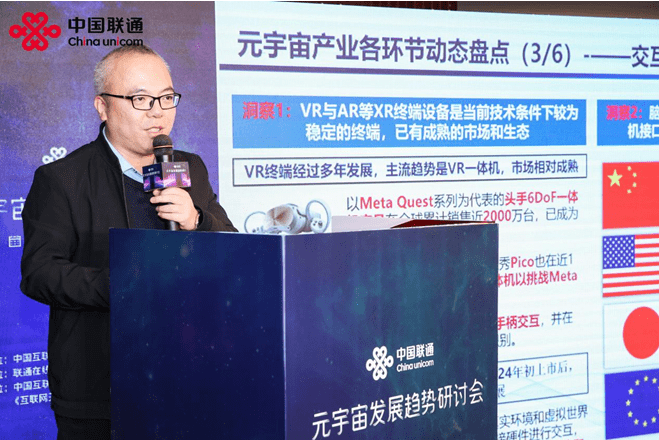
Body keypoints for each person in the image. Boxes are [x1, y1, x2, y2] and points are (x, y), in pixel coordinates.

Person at [20, 45, 237, 439]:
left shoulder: (188, 166)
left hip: (189, 374)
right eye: (140, 99)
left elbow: (233, 251)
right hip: (99, 388)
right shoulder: (63, 179)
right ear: (102, 107)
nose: (158, 112)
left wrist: (196, 220)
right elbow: (40, 273)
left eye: (167, 98)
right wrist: (125, 285)